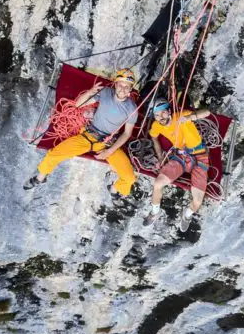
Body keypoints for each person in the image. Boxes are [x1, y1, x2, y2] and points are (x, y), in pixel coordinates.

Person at [25, 68, 139, 195]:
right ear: (116, 84)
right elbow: (78, 105)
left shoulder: (132, 108)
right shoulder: (106, 93)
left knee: (130, 178)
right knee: (54, 154)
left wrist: (109, 151)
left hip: (107, 144)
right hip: (87, 136)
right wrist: (90, 92)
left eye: (127, 86)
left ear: (130, 90)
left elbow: (127, 133)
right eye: (121, 85)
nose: (123, 89)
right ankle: (40, 178)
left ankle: (114, 189)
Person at [142, 101, 213, 231]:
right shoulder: (156, 125)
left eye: (163, 112)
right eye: (157, 115)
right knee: (158, 184)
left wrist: (189, 118)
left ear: (169, 111)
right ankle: (155, 212)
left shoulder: (181, 115)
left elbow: (207, 112)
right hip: (181, 156)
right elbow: (154, 138)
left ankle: (187, 216)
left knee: (197, 202)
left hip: (200, 157)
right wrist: (160, 157)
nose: (161, 117)